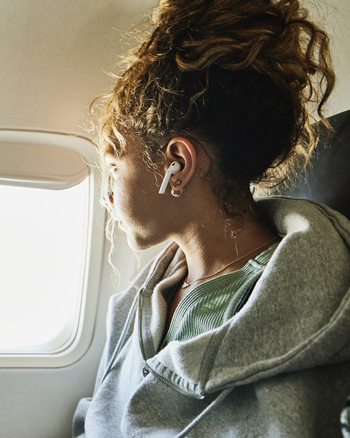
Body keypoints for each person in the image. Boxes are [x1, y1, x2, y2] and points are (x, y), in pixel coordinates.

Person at [73, 0, 350, 436]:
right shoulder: (137, 302)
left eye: (114, 167)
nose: (107, 198)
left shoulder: (299, 306)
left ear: (177, 165)